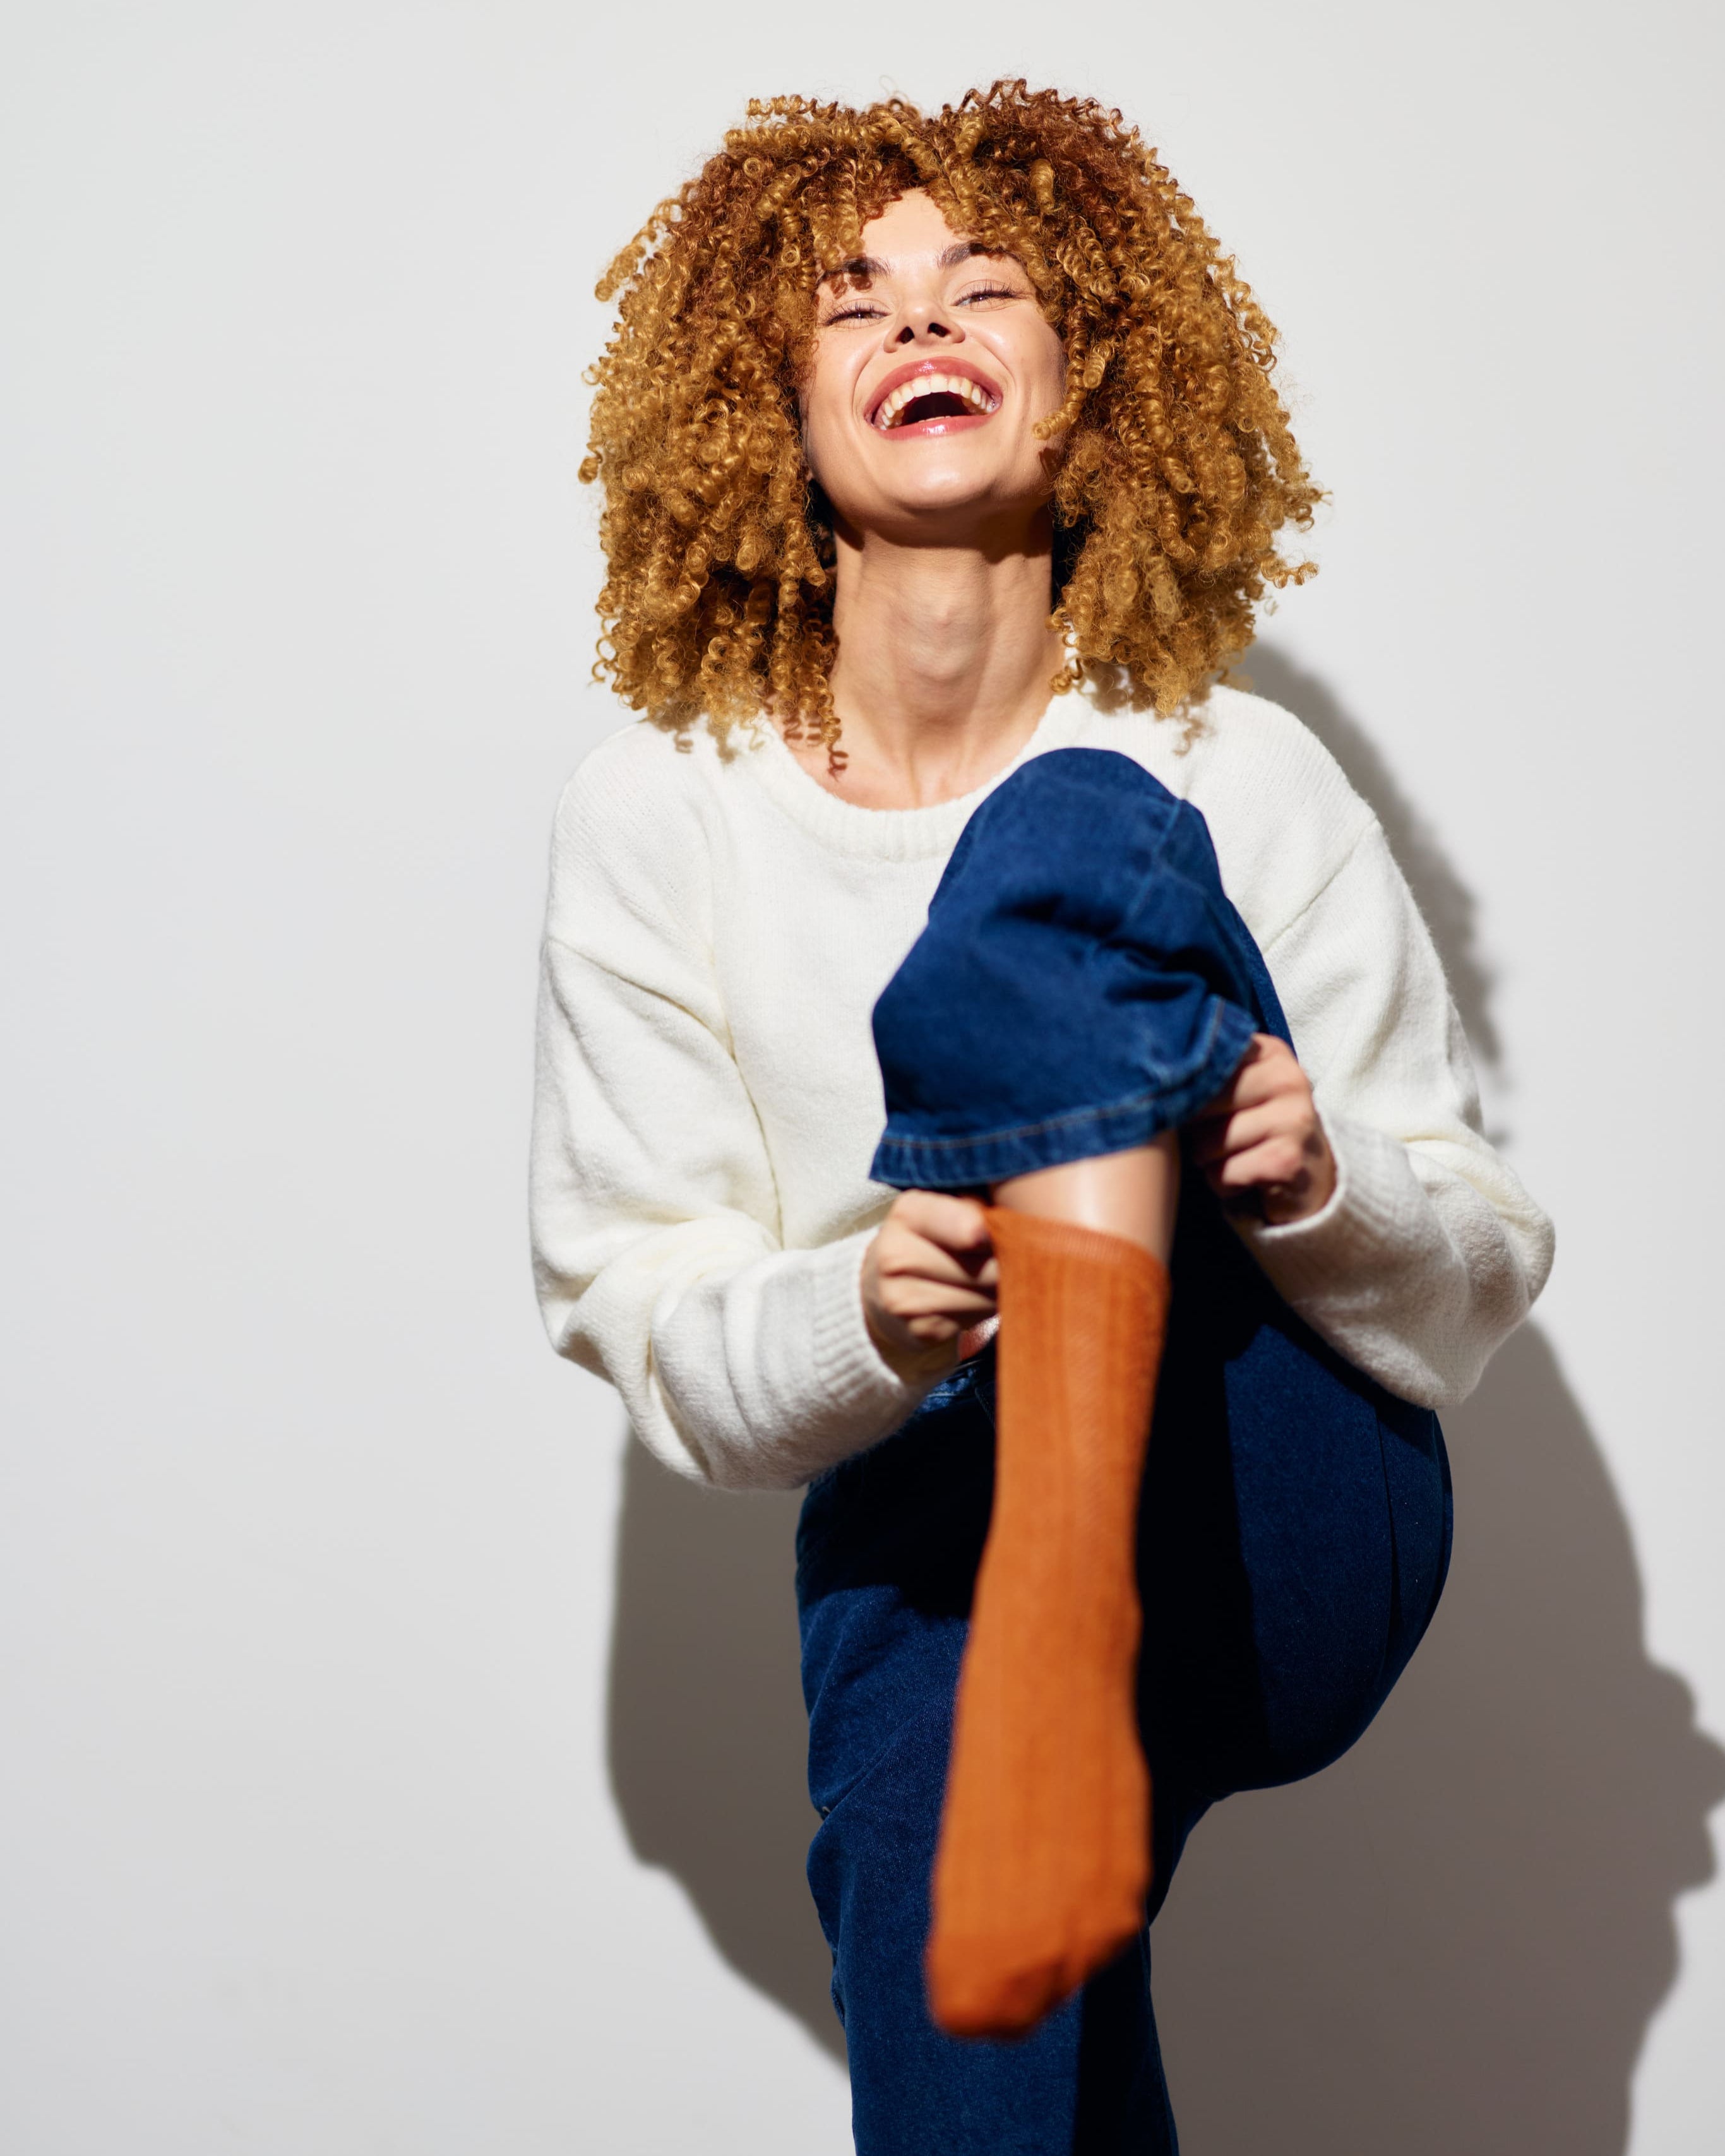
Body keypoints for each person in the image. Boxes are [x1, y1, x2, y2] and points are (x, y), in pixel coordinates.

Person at [532, 83, 1553, 2154]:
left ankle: (1058, 1605)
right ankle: (1036, 1684)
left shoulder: (1228, 769)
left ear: (1093, 387)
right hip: (953, 1534)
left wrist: (1320, 1185)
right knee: (968, 2003)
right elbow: (642, 1296)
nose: (920, 320)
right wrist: (869, 1312)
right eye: (853, 301)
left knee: (1074, 819)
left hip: (1271, 1489)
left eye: (981, 287)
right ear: (768, 406)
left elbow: (1475, 1265)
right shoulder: (657, 816)